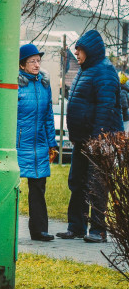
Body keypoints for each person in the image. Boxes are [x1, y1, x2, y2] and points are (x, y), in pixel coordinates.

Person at [58, 30, 122, 243]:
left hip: (98, 141)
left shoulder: (104, 72)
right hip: (82, 140)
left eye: (79, 50)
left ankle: (98, 230)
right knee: (77, 182)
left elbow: (105, 109)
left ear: (90, 50)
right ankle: (76, 226)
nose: (76, 54)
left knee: (97, 185)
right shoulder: (85, 70)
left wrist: (97, 140)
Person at [16, 44, 57, 242]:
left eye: (38, 61)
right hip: (19, 144)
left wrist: (52, 143)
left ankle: (39, 230)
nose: (37, 64)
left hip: (39, 145)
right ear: (22, 65)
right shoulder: (15, 85)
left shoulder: (44, 85)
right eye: (32, 61)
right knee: (11, 187)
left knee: (39, 188)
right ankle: (6, 227)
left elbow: (48, 115)